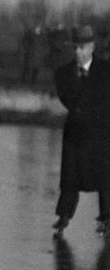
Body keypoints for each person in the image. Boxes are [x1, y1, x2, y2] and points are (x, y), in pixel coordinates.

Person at [52, 25, 110, 236]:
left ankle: (106, 217)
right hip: (76, 133)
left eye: (82, 47)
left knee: (105, 178)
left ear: (92, 47)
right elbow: (70, 100)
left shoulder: (106, 71)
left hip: (101, 132)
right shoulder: (63, 73)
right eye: (75, 47)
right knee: (70, 179)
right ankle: (63, 217)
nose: (78, 52)